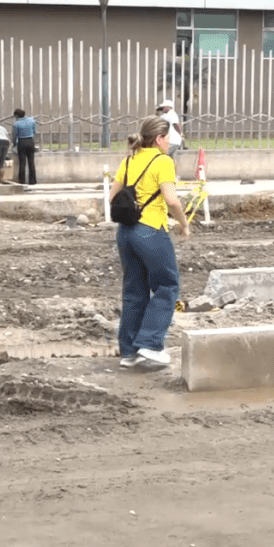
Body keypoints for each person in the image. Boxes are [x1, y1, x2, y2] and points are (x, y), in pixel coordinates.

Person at [108, 115, 190, 370]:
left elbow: (113, 196)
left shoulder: (130, 159)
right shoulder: (163, 161)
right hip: (151, 231)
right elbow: (172, 200)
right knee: (166, 286)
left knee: (134, 291)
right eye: (167, 138)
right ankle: (151, 344)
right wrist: (184, 224)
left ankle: (129, 353)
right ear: (158, 139)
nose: (168, 143)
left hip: (126, 233)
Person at [13, 108, 37, 185]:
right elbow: (34, 131)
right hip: (30, 141)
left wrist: (14, 145)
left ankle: (22, 181)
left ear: (16, 115)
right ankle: (32, 181)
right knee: (31, 162)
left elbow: (15, 136)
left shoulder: (16, 124)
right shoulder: (31, 120)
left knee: (22, 162)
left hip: (21, 142)